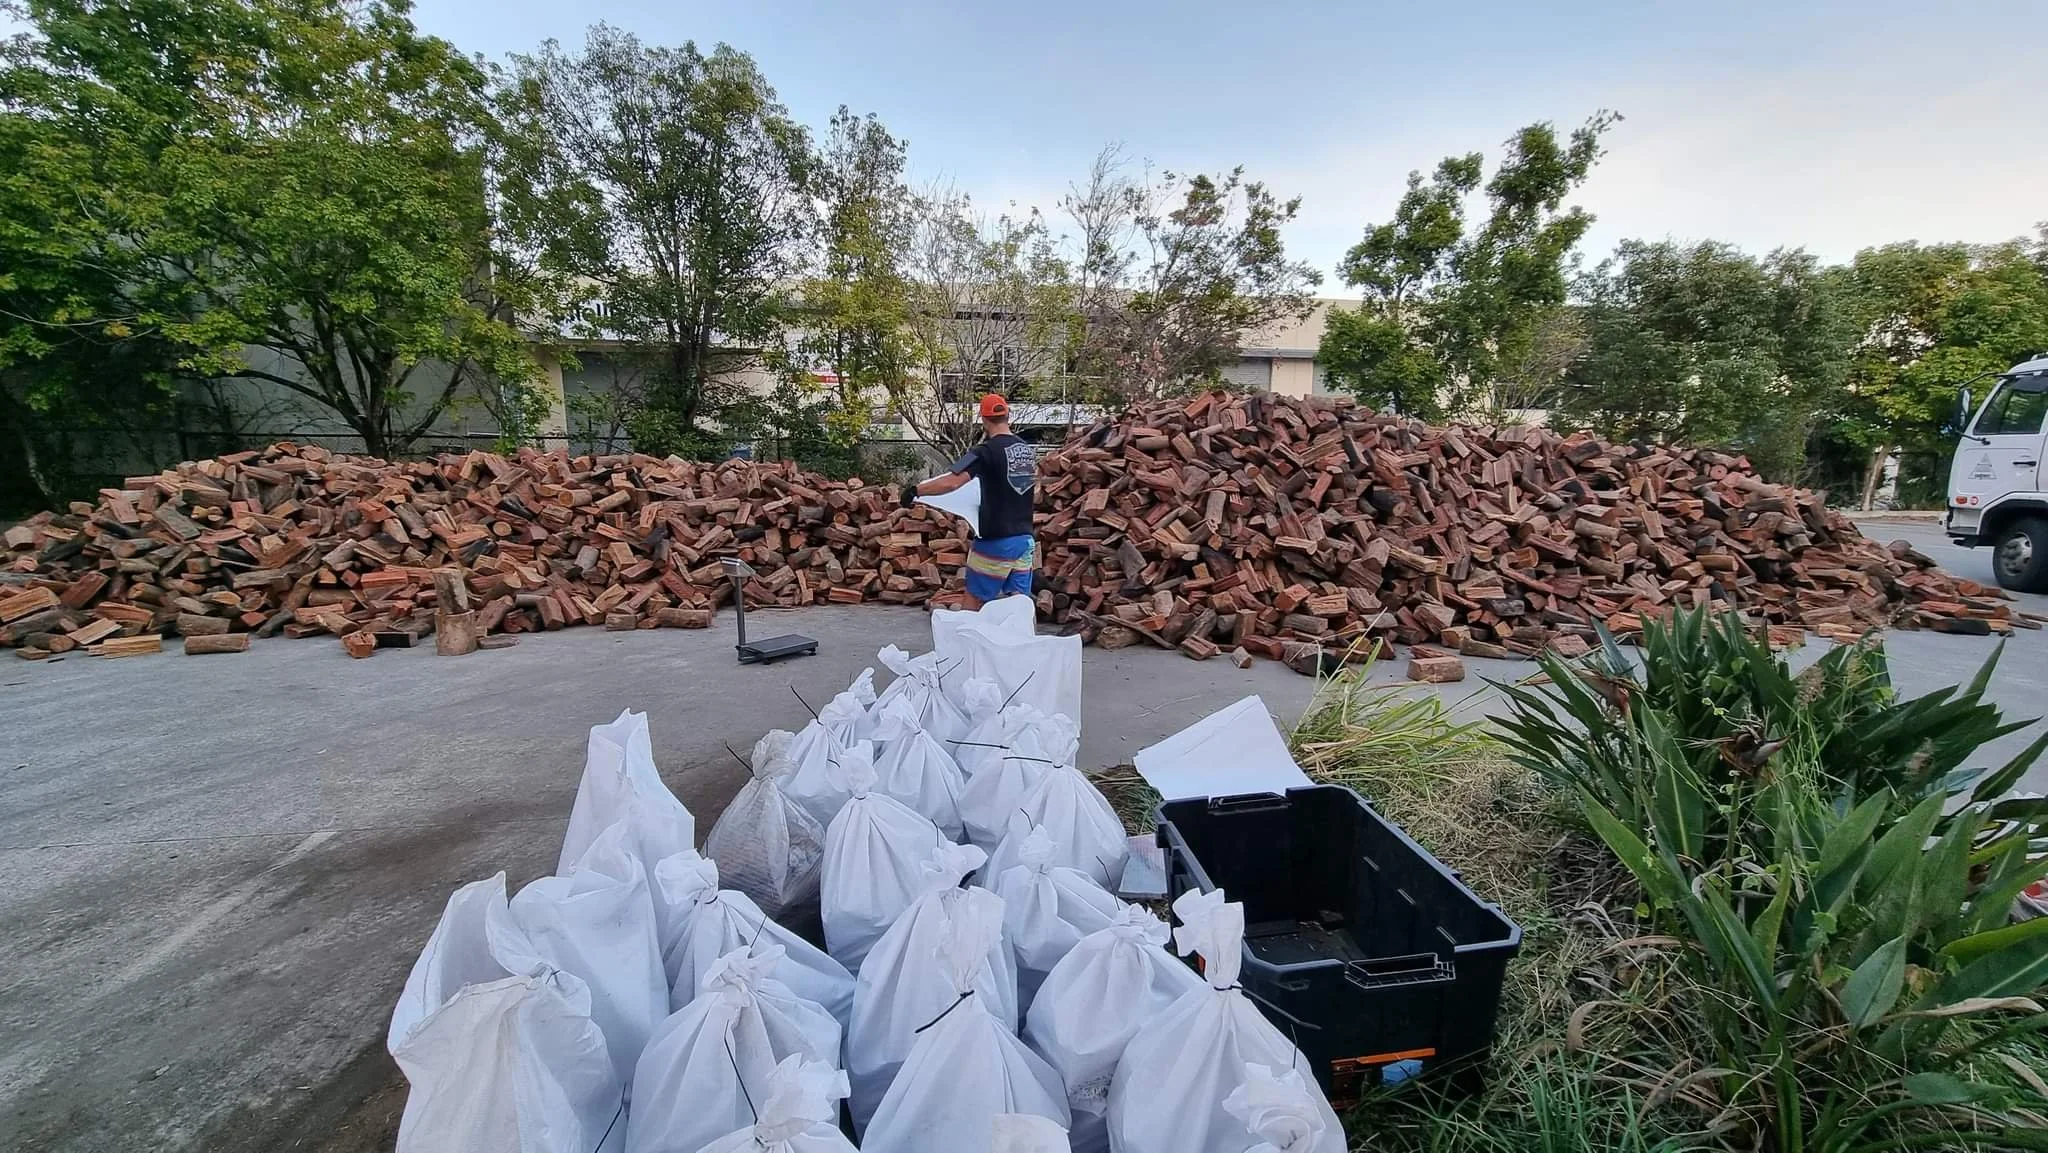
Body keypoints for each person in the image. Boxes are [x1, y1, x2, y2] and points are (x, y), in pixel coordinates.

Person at [901, 393, 1036, 608]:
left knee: (974, 599)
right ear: (1007, 415)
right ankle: (1023, 631)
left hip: (996, 541)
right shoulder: (1026, 451)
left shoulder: (985, 452)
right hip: (1025, 540)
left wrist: (916, 490)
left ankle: (968, 630)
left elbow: (952, 482)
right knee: (1020, 605)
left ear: (983, 419)